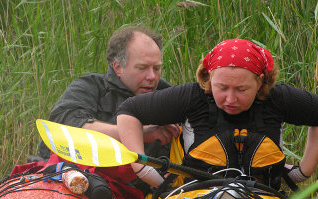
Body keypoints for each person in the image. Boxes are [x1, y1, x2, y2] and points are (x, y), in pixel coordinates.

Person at [116, 38, 318, 190]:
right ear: (209, 77)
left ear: (259, 82)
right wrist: (144, 170)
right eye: (222, 87)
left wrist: (303, 171)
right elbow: (129, 112)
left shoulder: (277, 98)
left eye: (241, 90)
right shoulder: (191, 96)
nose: (230, 99)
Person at [36, 25, 179, 167]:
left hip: (146, 186)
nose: (152, 76)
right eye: (142, 68)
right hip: (72, 177)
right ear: (118, 68)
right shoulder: (89, 87)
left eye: (157, 68)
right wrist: (138, 133)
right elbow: (65, 127)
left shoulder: (170, 97)